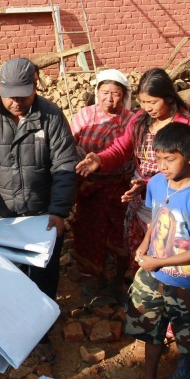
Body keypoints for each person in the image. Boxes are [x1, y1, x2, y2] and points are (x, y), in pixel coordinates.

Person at [0, 58, 79, 363]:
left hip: (43, 216)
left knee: (44, 274)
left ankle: (41, 332)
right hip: (6, 216)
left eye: (23, 95)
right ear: (0, 90)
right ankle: (14, 327)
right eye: (10, 95)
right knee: (12, 274)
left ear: (35, 87)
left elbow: (64, 166)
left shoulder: (51, 117)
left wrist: (59, 212)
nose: (16, 102)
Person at [124, 122, 190, 379]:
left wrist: (160, 262)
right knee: (150, 328)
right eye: (159, 159)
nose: (163, 166)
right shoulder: (156, 183)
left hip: (187, 283)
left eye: (170, 159)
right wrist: (144, 244)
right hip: (154, 274)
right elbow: (156, 218)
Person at [76, 68, 190, 282]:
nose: (148, 108)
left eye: (153, 102)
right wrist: (100, 159)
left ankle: (162, 294)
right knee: (135, 244)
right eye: (144, 102)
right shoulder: (140, 119)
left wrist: (147, 184)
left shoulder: (183, 125)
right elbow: (121, 148)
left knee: (165, 246)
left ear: (168, 97)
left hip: (170, 196)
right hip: (140, 194)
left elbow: (181, 168)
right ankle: (133, 288)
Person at [69, 68, 135, 297]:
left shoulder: (131, 120)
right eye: (105, 92)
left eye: (116, 94)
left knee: (120, 231)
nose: (110, 98)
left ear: (124, 96)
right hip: (89, 187)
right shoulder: (85, 116)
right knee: (89, 230)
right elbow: (69, 146)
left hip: (120, 185)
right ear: (97, 93)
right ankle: (93, 276)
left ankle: (118, 278)